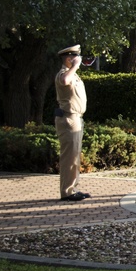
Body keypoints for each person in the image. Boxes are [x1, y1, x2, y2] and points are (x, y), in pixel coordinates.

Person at [55, 45, 90, 201]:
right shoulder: (63, 74)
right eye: (76, 58)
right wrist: (75, 66)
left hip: (76, 118)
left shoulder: (73, 75)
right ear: (69, 58)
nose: (79, 60)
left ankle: (72, 188)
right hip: (68, 118)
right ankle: (67, 192)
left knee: (74, 157)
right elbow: (64, 80)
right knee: (69, 158)